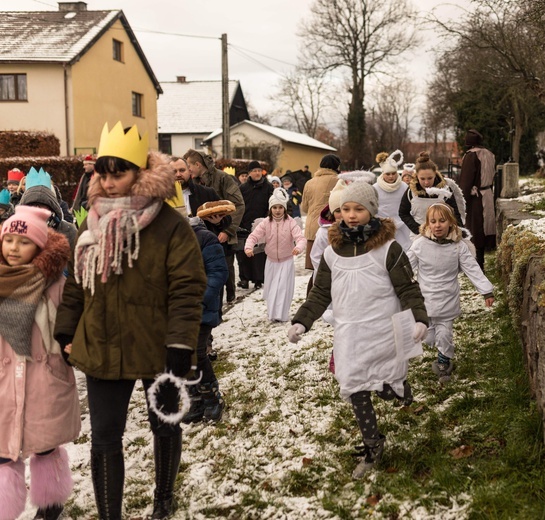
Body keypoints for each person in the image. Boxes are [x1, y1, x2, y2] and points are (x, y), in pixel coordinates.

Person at [54, 122, 207, 520]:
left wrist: (180, 344)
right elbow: (77, 284)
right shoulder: (92, 222)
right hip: (101, 342)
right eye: (101, 173)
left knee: (165, 426)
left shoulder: (170, 225)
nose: (107, 182)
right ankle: (110, 514)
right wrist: (66, 331)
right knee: (105, 437)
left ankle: (163, 500)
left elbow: (187, 289)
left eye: (117, 172)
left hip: (157, 345)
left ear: (140, 172)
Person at [288, 181, 428, 479]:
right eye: (345, 209)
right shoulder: (332, 253)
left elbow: (408, 288)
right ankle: (372, 444)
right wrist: (302, 320)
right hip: (349, 334)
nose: (351, 215)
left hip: (383, 331)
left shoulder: (389, 249)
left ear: (371, 211)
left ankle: (397, 388)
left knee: (388, 381)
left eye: (358, 209)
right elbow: (320, 293)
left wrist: (419, 318)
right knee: (355, 387)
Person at [0, 205, 80, 520]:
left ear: (39, 246)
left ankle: (50, 503)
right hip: (4, 381)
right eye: (8, 240)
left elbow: (74, 326)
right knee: (4, 452)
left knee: (45, 446)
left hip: (44, 377)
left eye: (23, 242)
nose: (14, 248)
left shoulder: (57, 286)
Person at [407, 202, 494, 382]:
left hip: (447, 297)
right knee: (428, 336)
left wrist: (486, 291)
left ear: (451, 223)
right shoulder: (420, 245)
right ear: (427, 223)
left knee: (444, 333)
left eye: (442, 221)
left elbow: (472, 268)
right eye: (433, 221)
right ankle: (436, 343)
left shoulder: (458, 246)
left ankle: (443, 361)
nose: (437, 225)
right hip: (425, 298)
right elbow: (406, 267)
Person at [182, 216, 228, 424]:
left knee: (197, 353)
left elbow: (218, 273)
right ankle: (196, 399)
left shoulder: (205, 238)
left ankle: (212, 399)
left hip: (201, 308)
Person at [184, 149, 244, 303]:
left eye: (189, 167)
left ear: (197, 164)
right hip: (202, 235)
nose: (188, 171)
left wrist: (228, 230)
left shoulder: (223, 178)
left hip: (224, 231)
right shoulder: (193, 183)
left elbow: (238, 205)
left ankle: (230, 298)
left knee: (226, 267)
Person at [245, 188, 306, 322]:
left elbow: (300, 238)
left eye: (280, 207)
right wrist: (249, 247)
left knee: (283, 288)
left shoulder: (291, 222)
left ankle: (282, 314)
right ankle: (273, 314)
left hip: (286, 260)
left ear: (284, 208)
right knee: (273, 288)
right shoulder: (265, 223)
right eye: (274, 207)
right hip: (271, 261)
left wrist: (298, 247)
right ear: (270, 209)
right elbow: (253, 236)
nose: (277, 210)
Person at [399, 151, 463, 239]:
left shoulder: (445, 191)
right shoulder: (411, 191)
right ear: (417, 176)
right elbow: (403, 213)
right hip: (419, 237)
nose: (426, 182)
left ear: (435, 174)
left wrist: (460, 234)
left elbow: (455, 213)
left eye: (430, 178)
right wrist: (419, 229)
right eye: (422, 179)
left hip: (443, 237)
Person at [459, 129, 497, 271]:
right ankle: (479, 262)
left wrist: (462, 200)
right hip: (487, 193)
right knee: (483, 227)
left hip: (476, 197)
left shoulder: (471, 156)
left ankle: (477, 264)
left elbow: (466, 181)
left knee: (476, 229)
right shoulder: (490, 154)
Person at [301, 154, 340, 280]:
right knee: (332, 267)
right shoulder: (338, 180)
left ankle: (312, 296)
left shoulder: (309, 182)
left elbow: (304, 208)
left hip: (312, 228)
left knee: (316, 269)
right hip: (331, 226)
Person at [236, 160, 274, 290]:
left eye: (259, 170)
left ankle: (259, 279)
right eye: (254, 171)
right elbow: (238, 205)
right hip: (245, 224)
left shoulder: (268, 186)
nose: (257, 173)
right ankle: (244, 279)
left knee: (259, 253)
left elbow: (271, 204)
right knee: (244, 252)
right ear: (249, 173)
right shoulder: (243, 188)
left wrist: (266, 219)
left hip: (261, 224)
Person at [20, 167, 78, 251]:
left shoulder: (69, 230)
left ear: (51, 207)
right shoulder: (17, 230)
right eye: (32, 205)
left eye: (41, 205)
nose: (36, 209)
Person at [373, 151, 411, 251]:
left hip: (403, 226)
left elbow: (410, 205)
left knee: (405, 250)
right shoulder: (375, 188)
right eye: (388, 174)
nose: (391, 176)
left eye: (393, 173)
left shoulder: (404, 186)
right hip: (383, 226)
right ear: (383, 173)